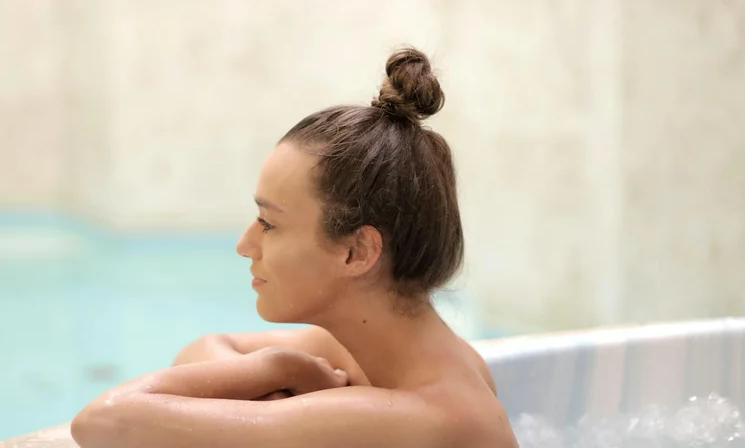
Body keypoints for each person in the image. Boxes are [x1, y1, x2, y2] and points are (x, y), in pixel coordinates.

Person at [70, 47, 519, 448]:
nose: (246, 245)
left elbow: (105, 421)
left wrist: (272, 376)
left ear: (356, 252)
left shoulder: (428, 417)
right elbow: (207, 345)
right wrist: (279, 365)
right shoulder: (385, 351)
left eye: (268, 223)